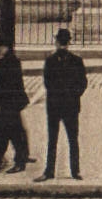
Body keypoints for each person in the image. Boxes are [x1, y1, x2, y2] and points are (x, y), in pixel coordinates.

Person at [37, 27, 88, 180]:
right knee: (59, 139)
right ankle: (55, 171)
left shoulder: (69, 60)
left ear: (57, 42)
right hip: (59, 105)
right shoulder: (54, 60)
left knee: (68, 139)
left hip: (65, 105)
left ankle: (71, 170)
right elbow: (48, 82)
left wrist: (70, 95)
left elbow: (82, 83)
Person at [0, 34, 31, 172]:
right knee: (5, 132)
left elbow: (9, 85)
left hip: (10, 102)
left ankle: (18, 162)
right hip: (11, 102)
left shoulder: (6, 61)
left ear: (0, 46)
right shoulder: (11, 59)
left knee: (10, 133)